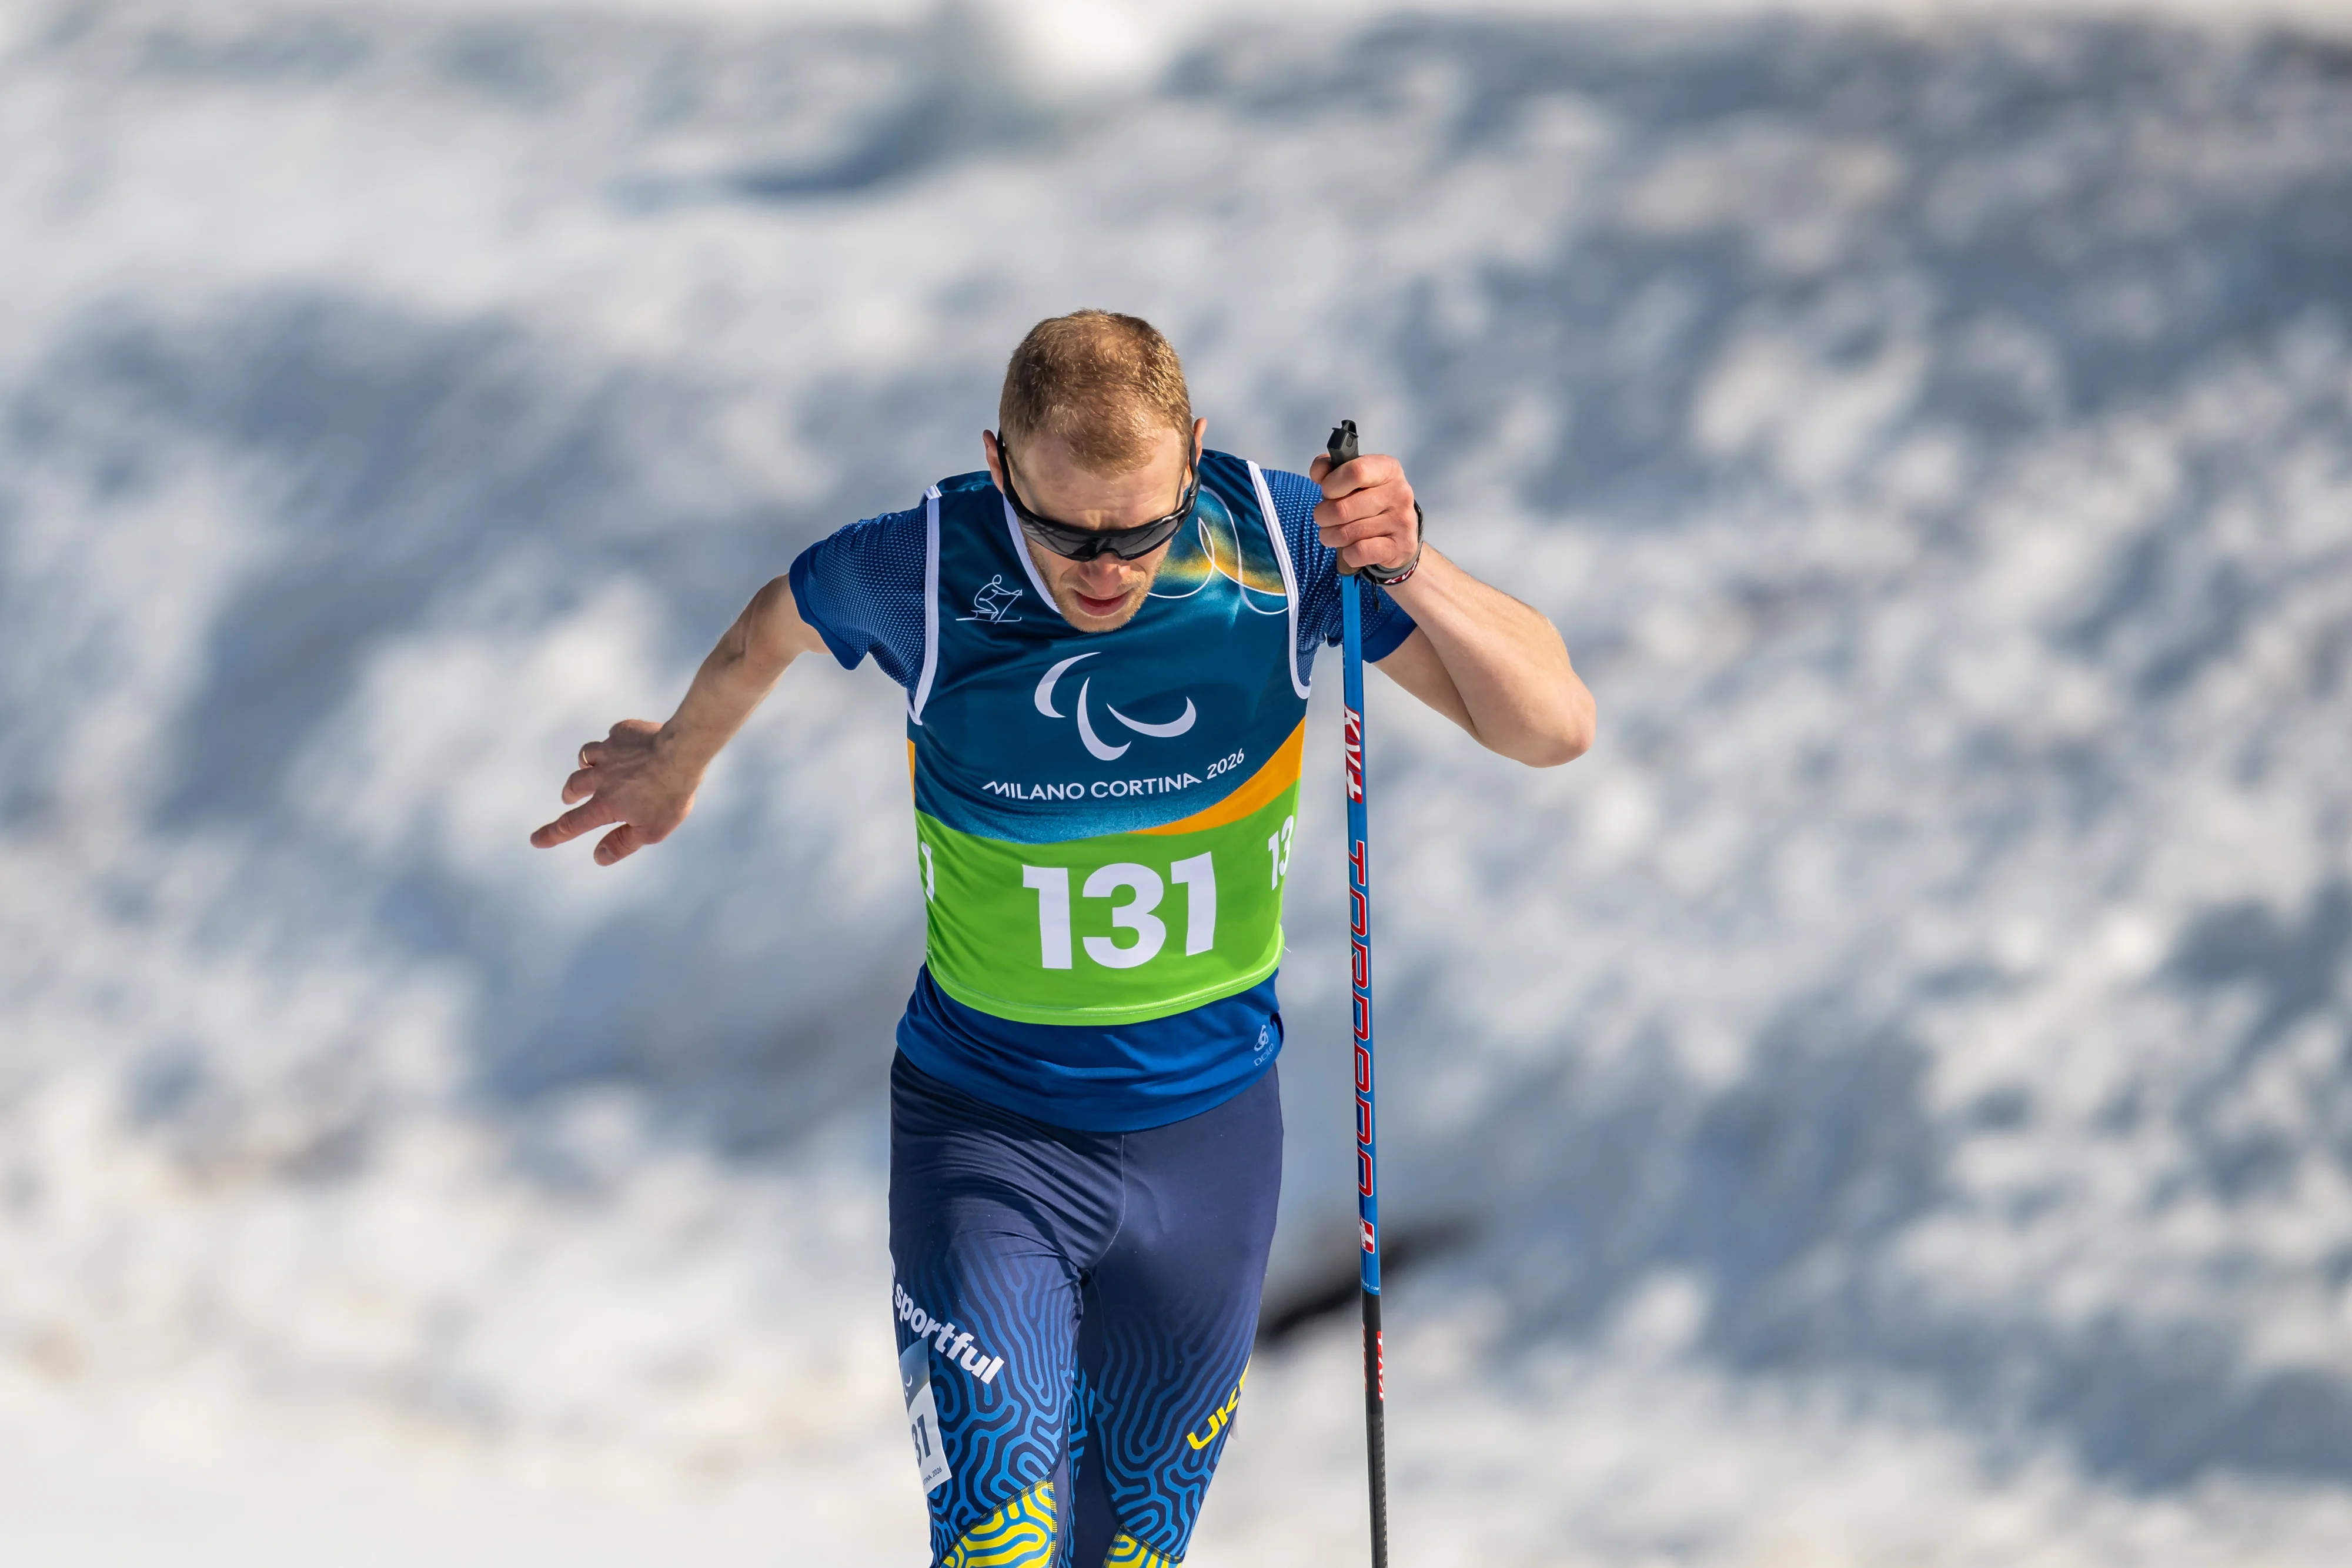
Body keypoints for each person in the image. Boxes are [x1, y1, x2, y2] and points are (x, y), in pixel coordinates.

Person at [532, 310, 1593, 1567]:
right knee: (997, 1547)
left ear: (1192, 461)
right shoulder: (922, 567)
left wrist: (1406, 562)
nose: (1105, 566)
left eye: (1140, 530)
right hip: (987, 1139)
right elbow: (773, 623)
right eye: (1065, 530)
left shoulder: (1277, 548)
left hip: (1209, 1150)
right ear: (998, 468)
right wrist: (674, 756)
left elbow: (1550, 727)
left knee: (1126, 1557)